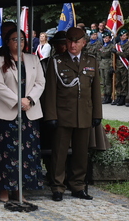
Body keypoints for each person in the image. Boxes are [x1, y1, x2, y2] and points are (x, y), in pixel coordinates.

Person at [0, 25, 46, 203]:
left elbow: (40, 83)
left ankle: (19, 189)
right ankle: (3, 189)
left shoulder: (33, 59)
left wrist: (29, 100)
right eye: (14, 39)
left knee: (25, 153)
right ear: (7, 42)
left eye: (22, 39)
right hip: (6, 113)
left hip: (29, 113)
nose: (19, 42)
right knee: (5, 152)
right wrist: (19, 102)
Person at [43, 26, 102, 201]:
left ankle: (78, 185)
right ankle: (58, 186)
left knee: (80, 153)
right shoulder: (57, 61)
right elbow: (50, 91)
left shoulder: (91, 61)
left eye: (76, 41)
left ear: (84, 43)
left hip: (84, 113)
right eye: (69, 41)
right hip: (63, 114)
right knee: (59, 152)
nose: (72, 45)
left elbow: (95, 91)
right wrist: (51, 115)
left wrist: (97, 113)